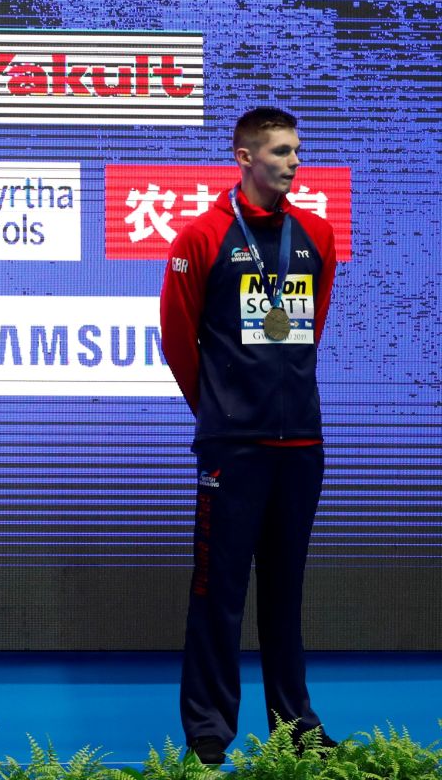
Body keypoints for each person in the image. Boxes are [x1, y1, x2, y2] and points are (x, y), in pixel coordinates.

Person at [159, 107, 339, 764]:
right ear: (244, 157)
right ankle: (209, 734)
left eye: (297, 152)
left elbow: (309, 329)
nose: (293, 163)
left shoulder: (316, 234)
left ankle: (295, 728)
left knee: (286, 591)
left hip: (302, 445)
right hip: (232, 448)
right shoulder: (199, 238)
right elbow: (179, 343)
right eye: (280, 152)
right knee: (218, 590)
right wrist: (222, 413)